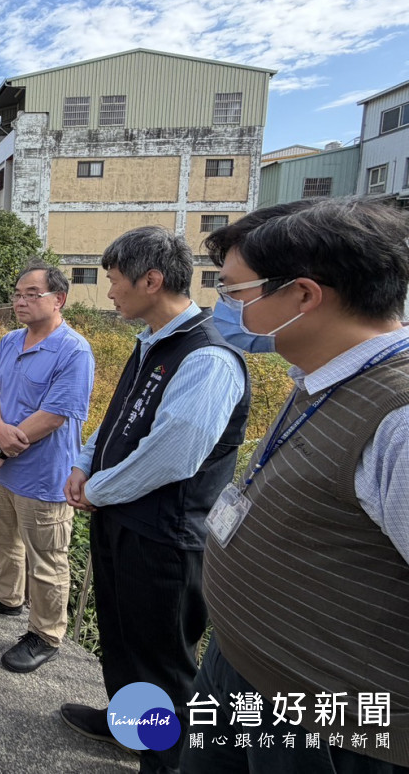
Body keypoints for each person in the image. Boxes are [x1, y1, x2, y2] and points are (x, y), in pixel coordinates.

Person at [181, 199, 409, 772]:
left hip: (329, 722)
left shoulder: (399, 418)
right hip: (249, 669)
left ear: (303, 295)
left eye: (235, 292)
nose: (225, 307)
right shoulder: (323, 374)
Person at [61, 226, 250, 774]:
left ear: (152, 279)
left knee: (162, 660)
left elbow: (174, 455)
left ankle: (164, 762)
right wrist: (81, 463)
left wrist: (96, 488)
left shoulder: (208, 357)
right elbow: (118, 420)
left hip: (165, 537)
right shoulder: (152, 342)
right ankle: (129, 723)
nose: (111, 292)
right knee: (121, 640)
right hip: (124, 521)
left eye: (115, 281)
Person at [0, 260, 95, 673]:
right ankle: (7, 597)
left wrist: (0, 448)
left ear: (58, 299)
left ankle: (45, 633)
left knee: (47, 559)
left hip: (41, 476)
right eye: (17, 294)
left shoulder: (74, 350)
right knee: (1, 540)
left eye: (31, 294)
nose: (20, 301)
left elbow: (55, 415)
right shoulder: (9, 340)